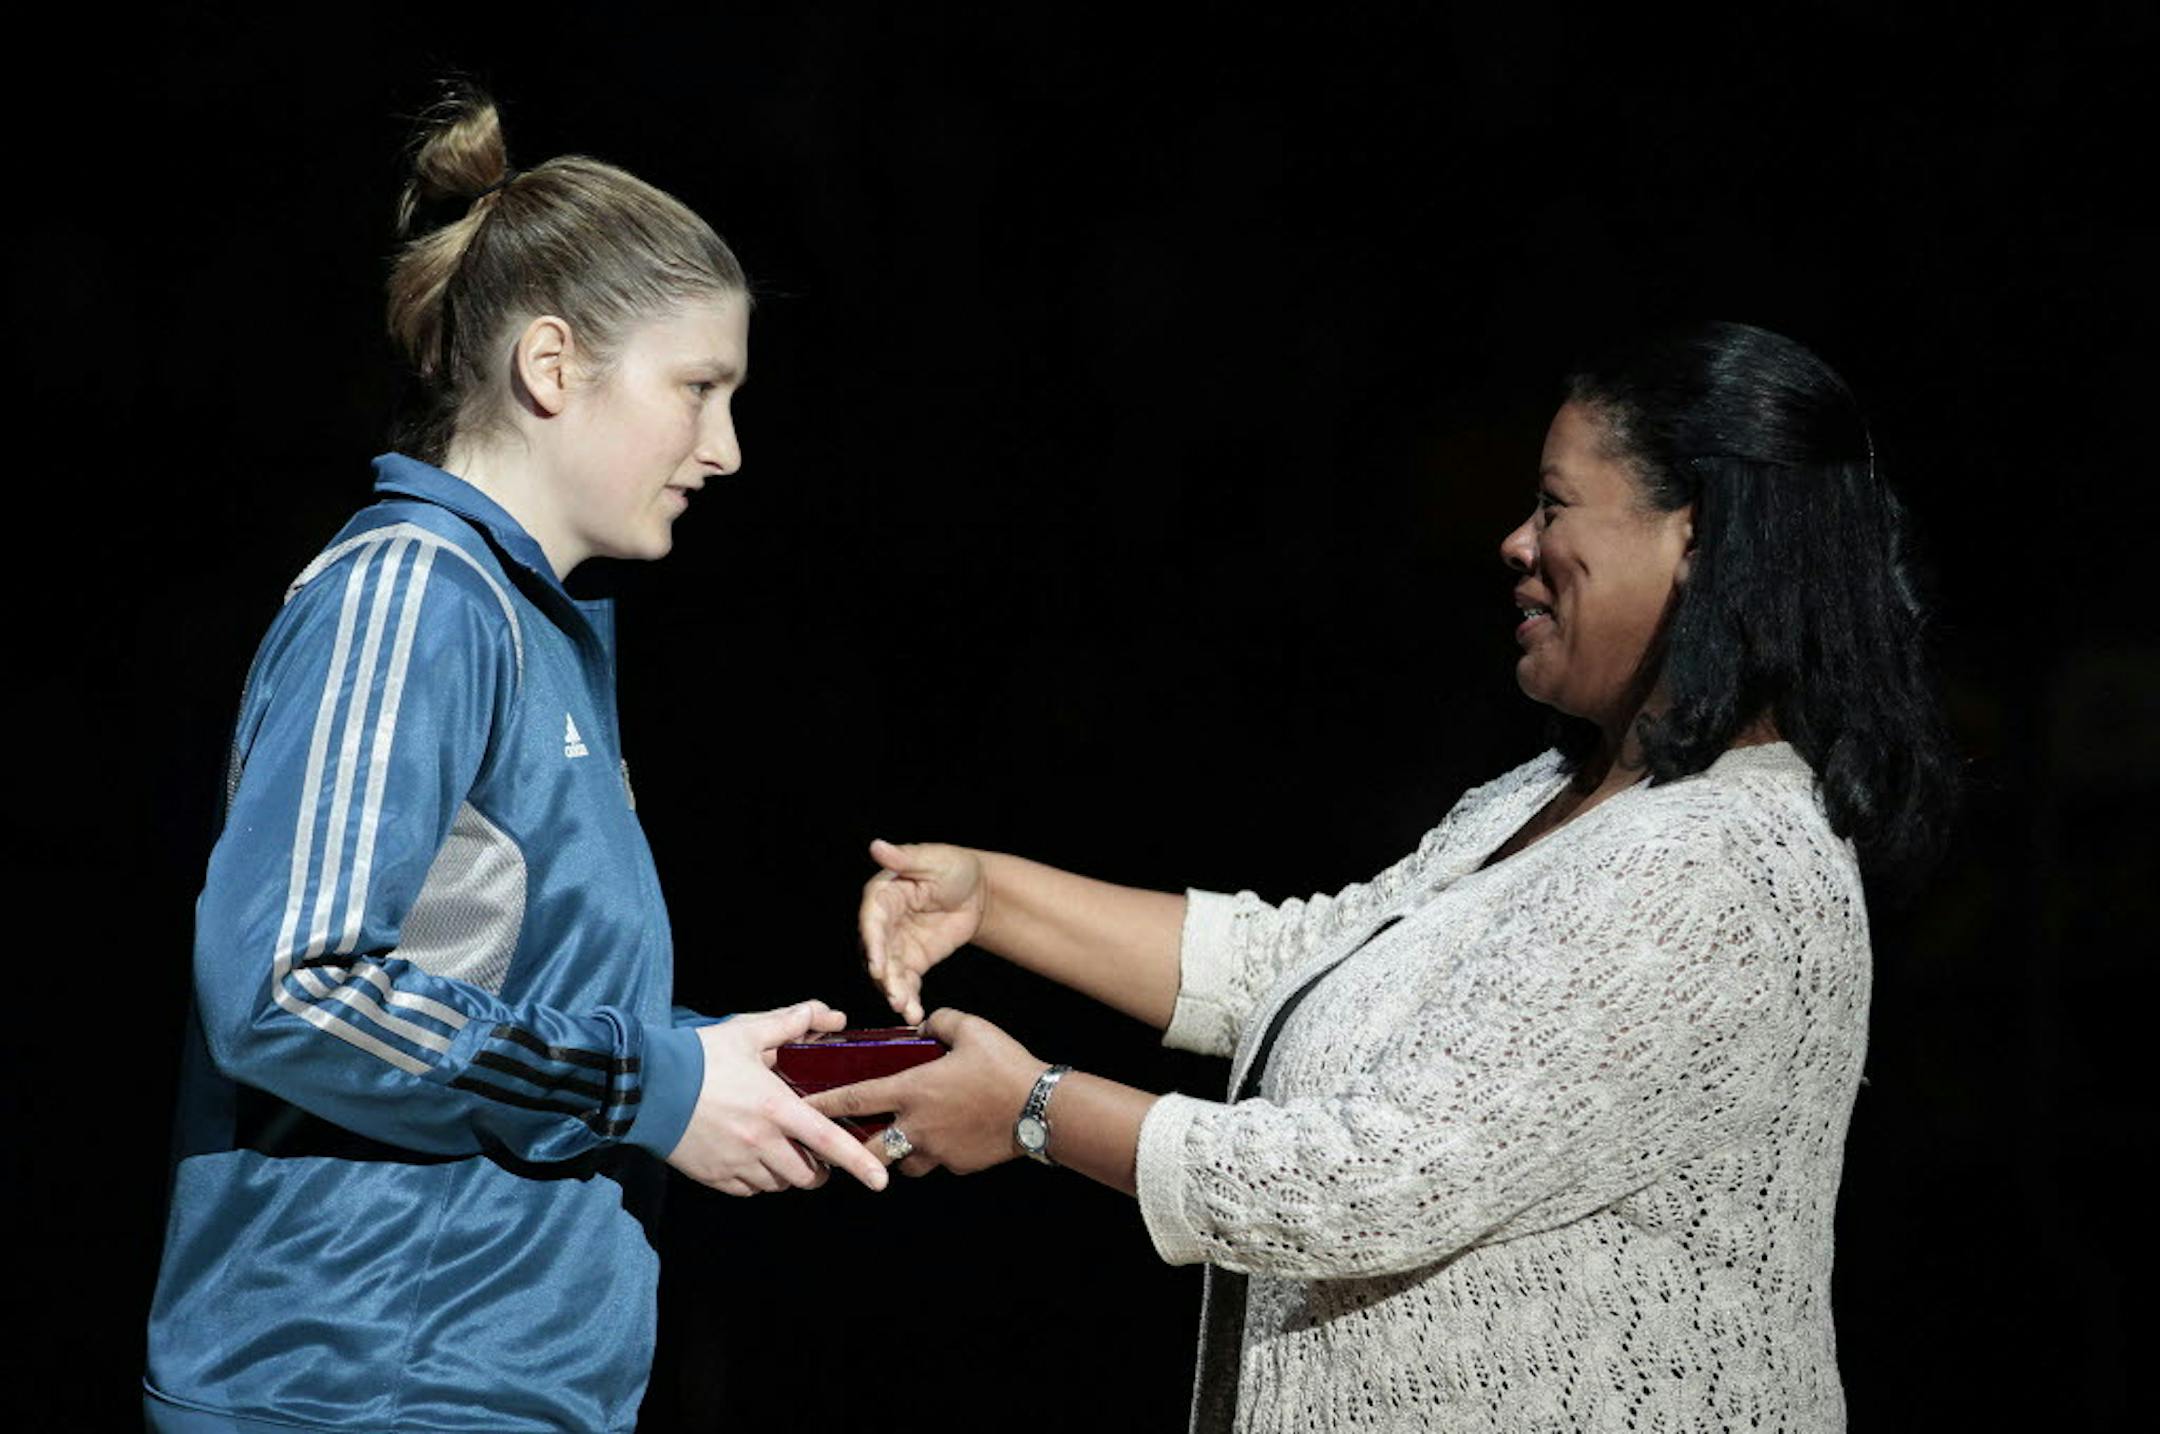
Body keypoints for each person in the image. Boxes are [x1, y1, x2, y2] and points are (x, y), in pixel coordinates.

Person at [812, 321, 1957, 1431]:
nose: (1516, 540)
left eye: (1555, 505)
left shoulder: (1723, 863)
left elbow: (1381, 1178)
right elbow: (1298, 963)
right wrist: (990, 895)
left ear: (1696, 541)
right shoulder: (1547, 800)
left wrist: (1034, 1111)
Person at [144, 90, 888, 1434]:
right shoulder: (409, 592)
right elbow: (289, 984)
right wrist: (643, 1084)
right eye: (698, 389)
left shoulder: (520, 627)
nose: (724, 450)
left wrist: (699, 1060)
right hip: (360, 1392)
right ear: (553, 366)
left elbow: (466, 994)